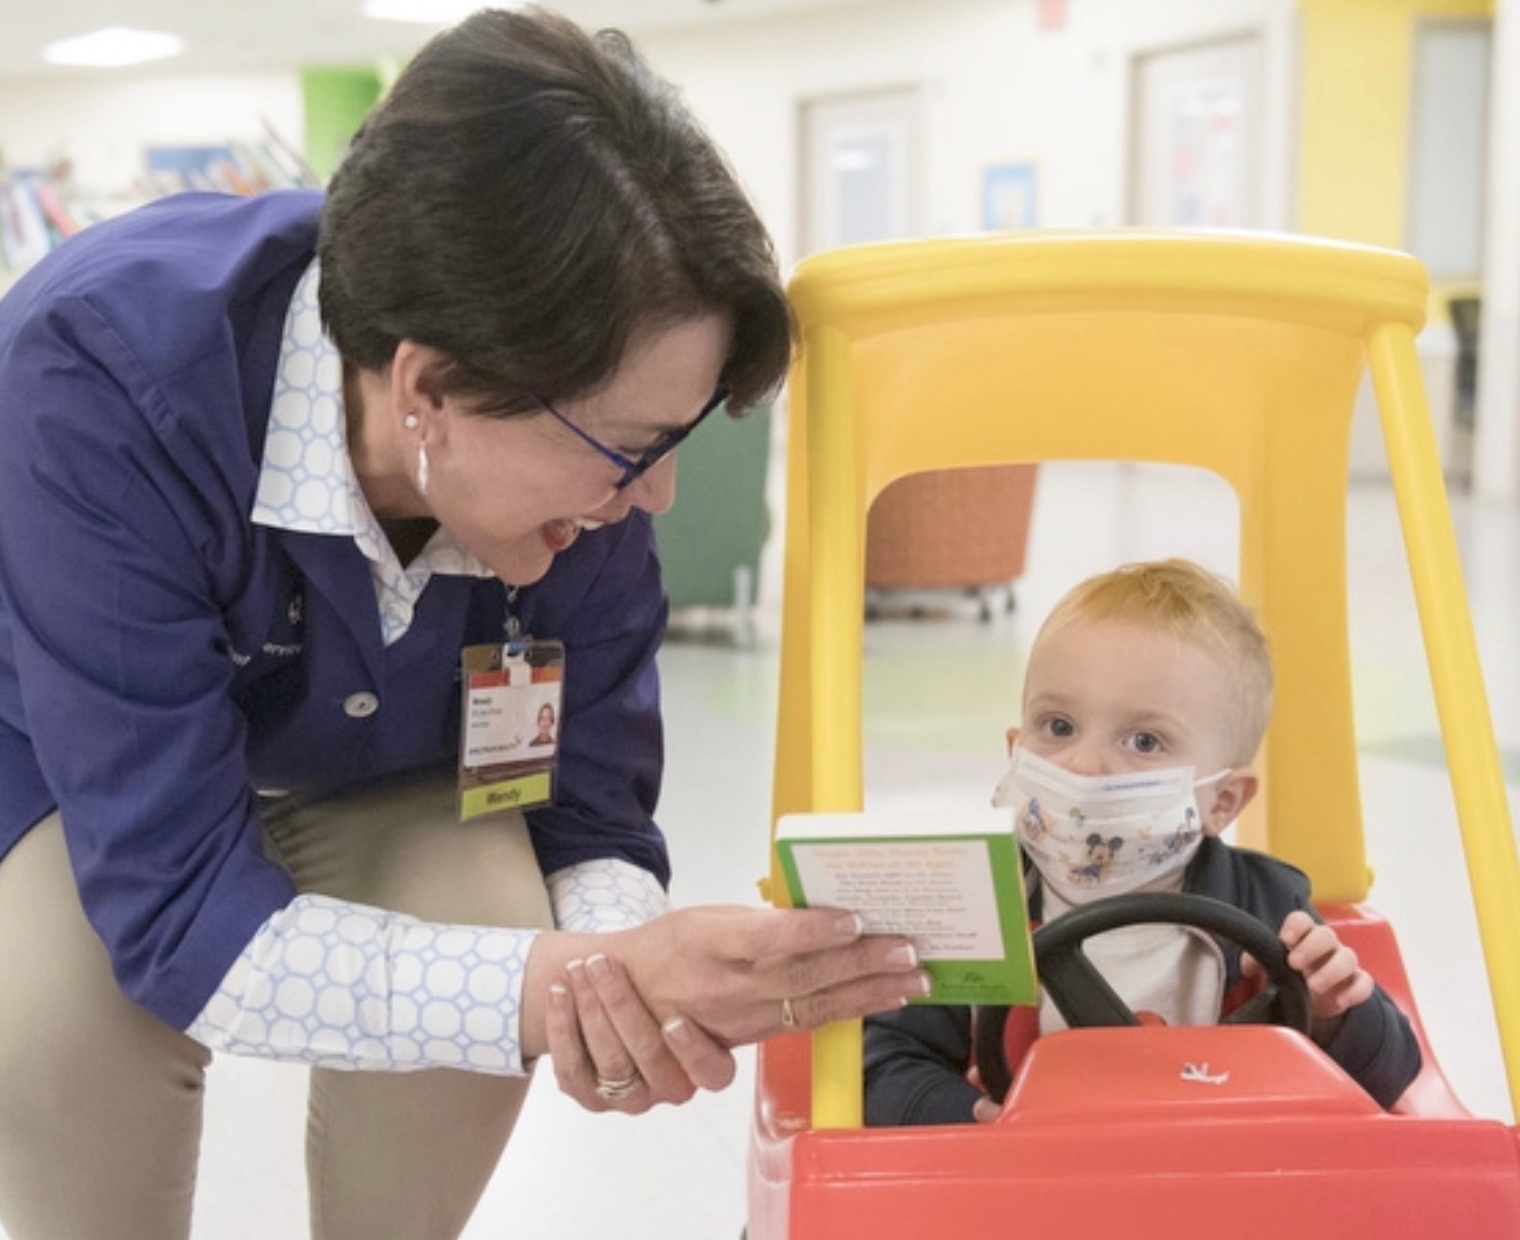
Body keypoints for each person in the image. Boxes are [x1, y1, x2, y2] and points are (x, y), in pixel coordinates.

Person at [0, 10, 931, 1239]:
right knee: (68, 1022)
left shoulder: (587, 485)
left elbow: (588, 809)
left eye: (674, 443)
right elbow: (177, 913)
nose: (650, 497)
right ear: (428, 385)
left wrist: (615, 981)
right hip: (85, 770)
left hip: (384, 763)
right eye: (625, 448)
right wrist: (550, 991)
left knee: (492, 938)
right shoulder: (100, 377)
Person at [863, 558, 1422, 1126]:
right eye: (1058, 727)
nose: (1082, 764)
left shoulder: (1268, 909)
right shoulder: (975, 907)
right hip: (1025, 1195)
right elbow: (884, 1063)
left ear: (1222, 801)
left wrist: (1331, 1014)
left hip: (1213, 1189)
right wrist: (978, 1120)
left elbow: (1389, 1079)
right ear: (1015, 749)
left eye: (1144, 741)